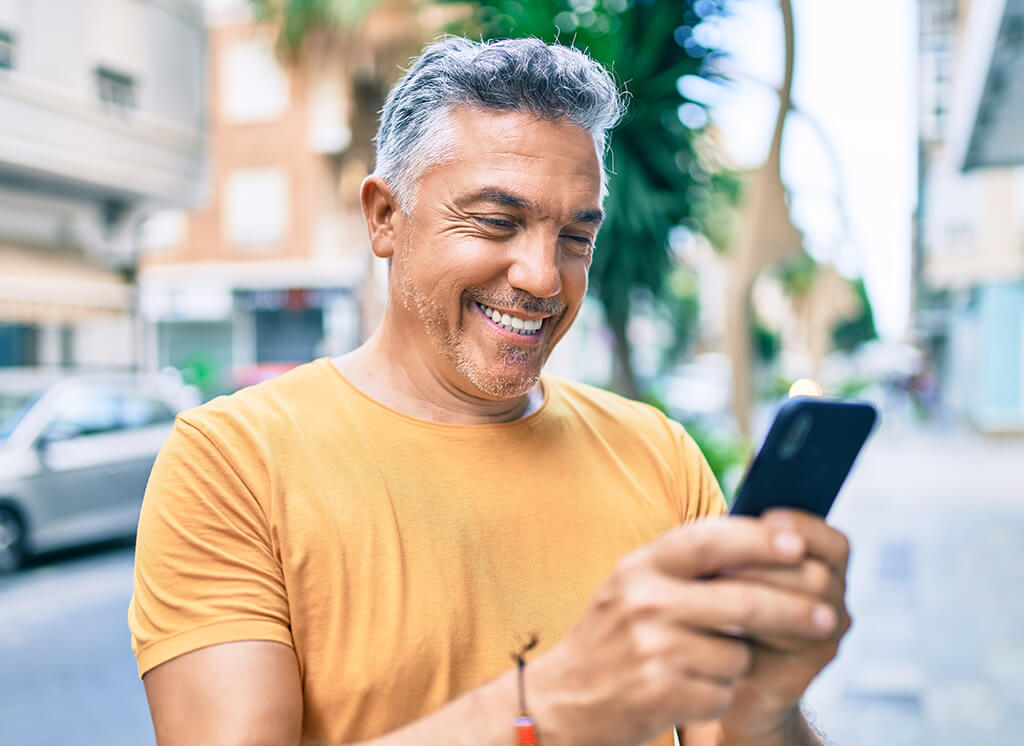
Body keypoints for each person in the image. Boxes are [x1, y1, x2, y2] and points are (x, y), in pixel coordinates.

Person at [130, 37, 852, 746]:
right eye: (497, 222)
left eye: (575, 236)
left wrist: (767, 712)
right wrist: (557, 700)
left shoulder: (659, 453)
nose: (543, 276)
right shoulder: (231, 462)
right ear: (385, 216)